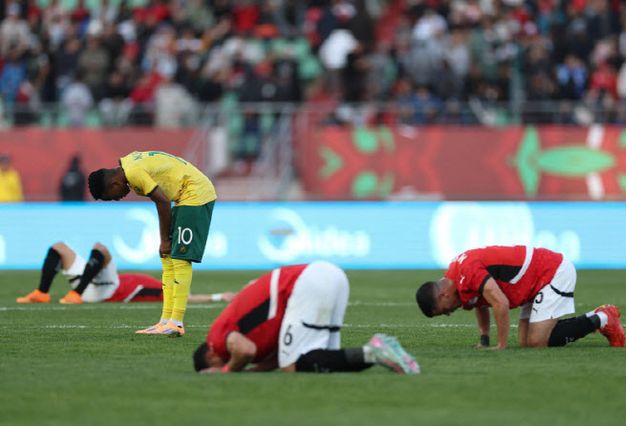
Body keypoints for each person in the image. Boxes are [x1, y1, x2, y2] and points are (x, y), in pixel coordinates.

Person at [192, 261, 420, 374]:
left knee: (294, 365)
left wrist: (225, 372)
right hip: (330, 274)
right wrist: (250, 373)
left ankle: (375, 351)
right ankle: (379, 353)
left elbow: (245, 351)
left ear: (210, 357)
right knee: (323, 360)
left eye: (217, 364)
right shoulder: (251, 336)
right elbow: (278, 359)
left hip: (306, 282)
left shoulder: (215, 339)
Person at [88, 151, 217, 336]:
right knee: (167, 257)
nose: (118, 199)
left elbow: (163, 202)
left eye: (112, 197)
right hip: (184, 195)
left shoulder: (133, 173)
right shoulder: (127, 164)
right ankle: (165, 321)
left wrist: (164, 240)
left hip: (195, 193)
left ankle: (176, 322)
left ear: (113, 184)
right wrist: (164, 241)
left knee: (180, 259)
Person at [415, 245, 626, 350]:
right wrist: (484, 339)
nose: (449, 313)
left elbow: (500, 302)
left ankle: (602, 318)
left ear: (443, 295)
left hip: (551, 272)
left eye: (444, 310)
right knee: (526, 343)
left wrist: (501, 345)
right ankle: (595, 318)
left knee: (537, 341)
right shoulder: (456, 278)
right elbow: (480, 302)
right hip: (531, 284)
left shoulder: (466, 271)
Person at [16, 242, 235, 305]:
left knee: (101, 248)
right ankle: (42, 293)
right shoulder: (149, 280)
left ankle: (76, 294)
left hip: (105, 290)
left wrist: (217, 297)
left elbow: (184, 298)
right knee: (59, 247)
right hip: (94, 282)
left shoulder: (156, 289)